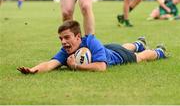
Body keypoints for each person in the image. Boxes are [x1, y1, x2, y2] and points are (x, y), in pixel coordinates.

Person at [17, 20, 167, 74]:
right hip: (109, 48)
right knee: (123, 46)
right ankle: (138, 43)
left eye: (67, 37)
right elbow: (50, 64)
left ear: (78, 37)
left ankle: (159, 51)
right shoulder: (67, 49)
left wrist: (75, 66)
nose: (63, 42)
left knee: (140, 57)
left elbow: (101, 67)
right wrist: (32, 70)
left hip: (118, 56)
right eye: (61, 38)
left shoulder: (91, 41)